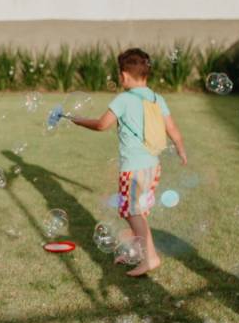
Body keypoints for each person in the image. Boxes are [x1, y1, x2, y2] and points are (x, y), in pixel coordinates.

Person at [70, 47, 187, 276]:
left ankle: (150, 258)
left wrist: (78, 120)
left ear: (123, 75)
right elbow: (171, 128)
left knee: (132, 212)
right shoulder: (156, 98)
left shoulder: (124, 99)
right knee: (138, 211)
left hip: (133, 170)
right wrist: (181, 149)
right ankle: (137, 253)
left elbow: (102, 124)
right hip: (153, 166)